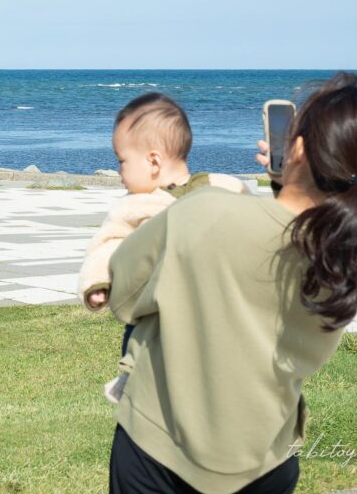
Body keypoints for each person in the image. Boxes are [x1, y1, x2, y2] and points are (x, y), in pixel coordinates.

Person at [104, 73, 357, 494]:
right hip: (268, 461)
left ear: (295, 148)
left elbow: (123, 293)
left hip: (159, 451)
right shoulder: (347, 256)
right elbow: (283, 236)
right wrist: (286, 187)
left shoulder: (203, 211)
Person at [76, 93, 248, 404]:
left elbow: (248, 212)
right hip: (159, 307)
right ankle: (131, 379)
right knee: (143, 339)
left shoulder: (219, 185)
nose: (118, 171)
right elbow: (106, 244)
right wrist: (97, 284)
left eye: (122, 161)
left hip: (213, 302)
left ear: (153, 161)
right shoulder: (131, 208)